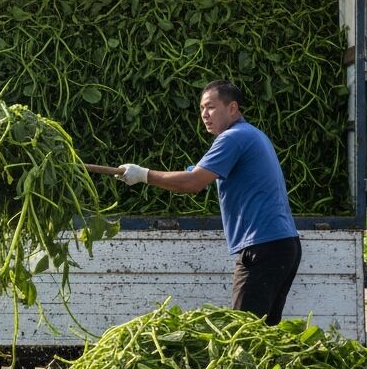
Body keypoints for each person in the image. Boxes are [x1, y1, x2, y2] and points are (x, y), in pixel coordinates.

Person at [117, 80, 301, 324]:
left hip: (263, 247)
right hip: (282, 245)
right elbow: (197, 174)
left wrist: (143, 175)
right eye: (202, 108)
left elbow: (193, 183)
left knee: (243, 334)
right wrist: (147, 174)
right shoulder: (250, 135)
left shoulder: (233, 138)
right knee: (263, 332)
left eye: (211, 107)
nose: (204, 114)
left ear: (233, 108)